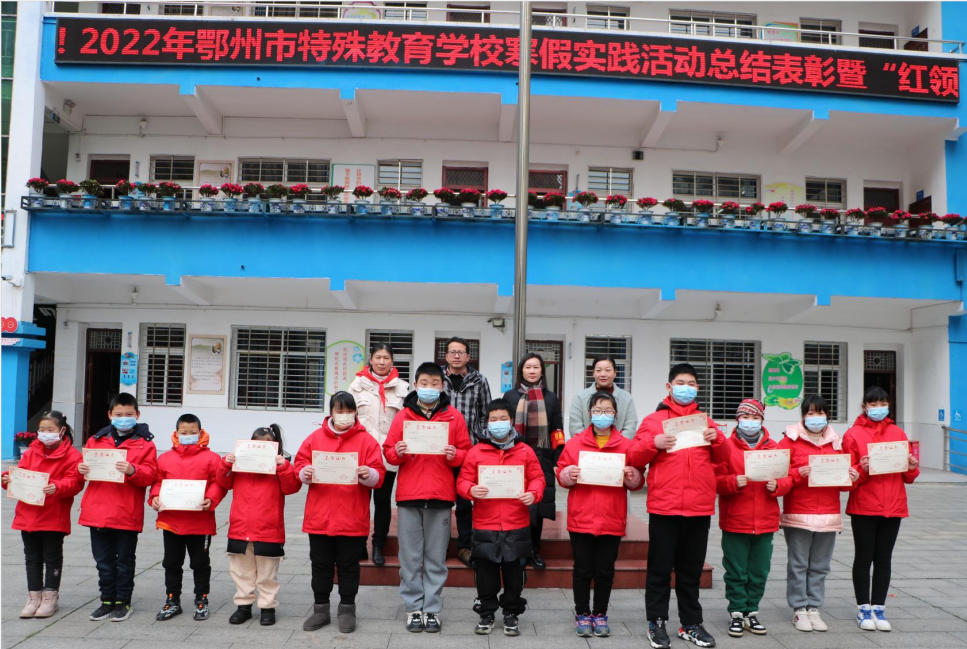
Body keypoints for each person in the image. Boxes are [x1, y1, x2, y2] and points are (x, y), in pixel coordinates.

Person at [632, 363, 729, 649]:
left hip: (698, 507)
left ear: (697, 388)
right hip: (665, 506)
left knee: (691, 571)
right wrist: (654, 442)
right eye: (680, 383)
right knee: (659, 569)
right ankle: (656, 621)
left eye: (691, 383)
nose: (686, 388)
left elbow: (726, 459)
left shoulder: (706, 422)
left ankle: (691, 623)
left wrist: (718, 440)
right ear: (669, 386)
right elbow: (634, 456)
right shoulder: (653, 421)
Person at [384, 362, 473, 634]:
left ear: (442, 386)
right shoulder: (403, 416)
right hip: (409, 496)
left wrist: (454, 456)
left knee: (435, 557)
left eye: (435, 384)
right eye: (424, 383)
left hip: (440, 495)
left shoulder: (453, 417)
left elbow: (466, 452)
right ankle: (413, 608)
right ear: (415, 385)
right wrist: (398, 452)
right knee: (410, 557)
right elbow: (388, 452)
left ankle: (432, 609)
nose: (429, 388)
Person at [296, 392, 386, 634]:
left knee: (348, 566)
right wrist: (305, 472)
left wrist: (368, 474)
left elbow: (379, 474)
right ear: (331, 412)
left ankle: (347, 609)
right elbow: (300, 464)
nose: (344, 415)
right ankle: (320, 609)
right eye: (340, 411)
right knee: (320, 565)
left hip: (351, 516)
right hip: (320, 516)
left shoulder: (366, 441)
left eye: (349, 411)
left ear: (355, 412)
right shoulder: (315, 438)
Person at [556, 392, 644, 638]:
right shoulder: (575, 443)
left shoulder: (626, 445)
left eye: (607, 411)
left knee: (605, 570)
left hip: (611, 517)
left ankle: (601, 614)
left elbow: (638, 481)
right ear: (589, 413)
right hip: (581, 516)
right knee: (583, 569)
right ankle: (582, 613)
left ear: (615, 415)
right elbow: (561, 474)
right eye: (597, 410)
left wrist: (632, 476)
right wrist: (568, 474)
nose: (602, 415)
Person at [457, 398, 545, 636]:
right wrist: (470, 490)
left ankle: (511, 613)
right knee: (485, 573)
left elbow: (538, 478)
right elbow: (463, 480)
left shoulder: (525, 451)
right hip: (485, 522)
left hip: (516, 522)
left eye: (503, 419)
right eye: (493, 419)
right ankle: (486, 613)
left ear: (511, 421)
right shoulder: (476, 451)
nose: (498, 423)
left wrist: (533, 493)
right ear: (487, 422)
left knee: (514, 573)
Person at [778, 395, 860, 633]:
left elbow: (844, 485)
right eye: (810, 413)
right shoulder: (788, 441)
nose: (816, 417)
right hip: (799, 513)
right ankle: (799, 608)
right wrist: (797, 473)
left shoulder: (837, 443)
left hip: (828, 513)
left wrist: (853, 478)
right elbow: (779, 476)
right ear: (803, 416)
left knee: (820, 566)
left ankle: (814, 607)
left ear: (828, 415)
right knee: (798, 564)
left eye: (820, 413)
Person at [843, 387, 919, 632]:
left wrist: (911, 467)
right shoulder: (852, 434)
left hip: (893, 505)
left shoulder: (898, 432)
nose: (879, 408)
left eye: (883, 404)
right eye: (873, 404)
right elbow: (847, 477)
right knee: (863, 559)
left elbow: (908, 476)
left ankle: (879, 607)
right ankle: (863, 608)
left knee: (884, 560)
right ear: (864, 407)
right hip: (864, 506)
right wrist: (862, 468)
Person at [715, 399, 793, 638]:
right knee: (736, 570)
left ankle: (752, 611)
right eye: (745, 418)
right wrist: (731, 482)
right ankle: (737, 612)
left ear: (762, 420)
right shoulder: (726, 447)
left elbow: (788, 478)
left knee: (759, 571)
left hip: (765, 520)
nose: (750, 422)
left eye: (755, 418)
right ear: (738, 419)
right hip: (735, 519)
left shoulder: (774, 447)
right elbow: (714, 478)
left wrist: (778, 486)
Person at [77, 393, 158, 623]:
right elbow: (81, 471)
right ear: (110, 415)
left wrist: (133, 471)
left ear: (137, 415)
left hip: (126, 512)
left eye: (129, 414)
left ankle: (123, 601)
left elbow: (151, 475)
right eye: (119, 414)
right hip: (97, 511)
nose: (124, 418)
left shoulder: (146, 444)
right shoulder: (96, 440)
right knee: (103, 561)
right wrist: (80, 469)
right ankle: (106, 601)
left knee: (124, 561)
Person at [2, 411, 84, 619]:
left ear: (62, 431)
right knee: (31, 556)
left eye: (50, 430)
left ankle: (50, 597)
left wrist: (58, 486)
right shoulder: (31, 452)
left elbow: (75, 482)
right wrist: (8, 479)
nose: (45, 434)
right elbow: (21, 473)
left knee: (52, 556)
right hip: (28, 513)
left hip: (53, 513)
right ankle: (33, 597)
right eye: (42, 430)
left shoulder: (73, 456)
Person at [218, 424, 302, 627]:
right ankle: (243, 606)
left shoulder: (280, 467)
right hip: (240, 527)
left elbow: (292, 487)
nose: (262, 448)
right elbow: (223, 482)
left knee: (267, 573)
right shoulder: (239, 464)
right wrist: (225, 464)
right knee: (241, 571)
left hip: (269, 529)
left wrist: (283, 467)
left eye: (267, 445)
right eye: (257, 444)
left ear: (276, 446)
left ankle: (267, 607)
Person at [149, 414, 227, 623]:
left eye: (193, 432)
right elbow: (157, 482)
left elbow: (218, 483)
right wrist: (154, 497)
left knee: (200, 563)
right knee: (171, 563)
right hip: (171, 521)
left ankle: (201, 599)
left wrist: (211, 499)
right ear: (176, 433)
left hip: (200, 522)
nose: (188, 436)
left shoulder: (212, 458)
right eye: (184, 432)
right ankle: (172, 600)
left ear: (200, 433)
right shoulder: (165, 458)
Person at [349, 342, 411, 566]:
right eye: (378, 357)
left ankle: (378, 545)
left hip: (388, 455)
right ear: (371, 360)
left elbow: (407, 422)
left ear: (392, 361)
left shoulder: (403, 388)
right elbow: (348, 419)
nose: (381, 362)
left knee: (383, 502)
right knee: (360, 501)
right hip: (362, 454)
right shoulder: (356, 386)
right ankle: (359, 544)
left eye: (386, 358)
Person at [502, 353, 565, 569]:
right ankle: (516, 550)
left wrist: (557, 460)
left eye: (536, 367)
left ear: (542, 371)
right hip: (515, 455)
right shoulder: (510, 396)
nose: (532, 371)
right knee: (516, 504)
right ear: (521, 370)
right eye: (528, 367)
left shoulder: (551, 397)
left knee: (537, 507)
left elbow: (557, 430)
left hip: (541, 456)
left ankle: (534, 550)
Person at [441, 336, 492, 566]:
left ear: (468, 356)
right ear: (446, 356)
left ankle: (464, 546)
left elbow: (485, 414)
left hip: (467, 450)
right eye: (452, 352)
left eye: (461, 352)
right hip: (440, 451)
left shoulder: (479, 380)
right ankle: (440, 546)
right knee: (441, 502)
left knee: (464, 502)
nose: (456, 356)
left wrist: (478, 438)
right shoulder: (437, 379)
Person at [568, 356, 638, 439]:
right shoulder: (580, 397)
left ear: (615, 373)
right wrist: (589, 443)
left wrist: (617, 444)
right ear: (593, 373)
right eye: (598, 370)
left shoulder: (626, 398)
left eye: (608, 370)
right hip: (586, 445)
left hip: (618, 445)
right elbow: (575, 427)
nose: (603, 374)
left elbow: (630, 427)